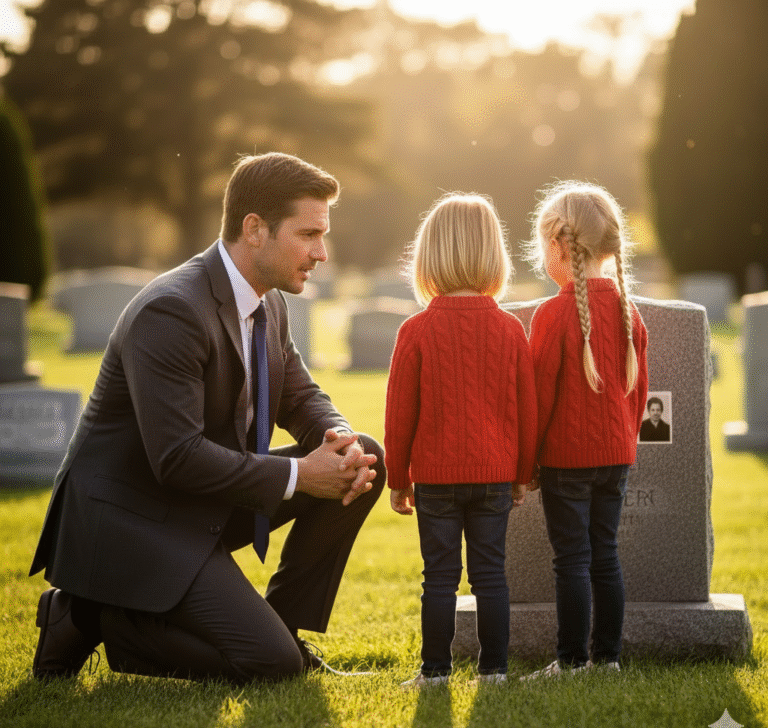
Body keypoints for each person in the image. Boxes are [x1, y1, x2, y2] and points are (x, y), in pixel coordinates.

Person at [29, 152, 385, 684]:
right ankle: (88, 613)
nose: (322, 253)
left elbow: (299, 393)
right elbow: (177, 459)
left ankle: (284, 628)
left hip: (197, 499)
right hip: (134, 518)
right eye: (308, 234)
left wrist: (338, 443)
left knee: (366, 453)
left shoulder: (270, 301)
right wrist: (299, 475)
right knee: (270, 668)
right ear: (255, 229)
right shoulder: (171, 310)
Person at [384, 193, 537, 687]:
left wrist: (397, 479)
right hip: (494, 475)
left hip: (435, 476)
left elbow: (399, 417)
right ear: (494, 255)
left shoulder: (416, 329)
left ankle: (435, 673)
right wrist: (522, 475)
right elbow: (527, 414)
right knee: (491, 575)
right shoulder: (512, 330)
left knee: (440, 580)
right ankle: (494, 672)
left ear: (429, 256)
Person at [520, 181, 648, 680]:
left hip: (566, 460)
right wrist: (623, 442)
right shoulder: (627, 310)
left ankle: (572, 662)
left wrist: (527, 463)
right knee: (606, 554)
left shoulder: (552, 315)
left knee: (571, 559)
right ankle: (608, 659)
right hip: (617, 457)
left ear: (557, 244)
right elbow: (637, 398)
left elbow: (539, 401)